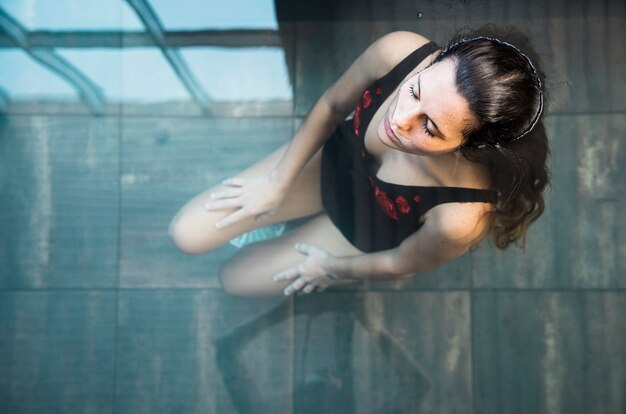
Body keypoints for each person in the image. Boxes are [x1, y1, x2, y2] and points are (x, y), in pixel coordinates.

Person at [168, 24, 550, 297]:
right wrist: (277, 182)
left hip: (366, 226)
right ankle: (284, 216)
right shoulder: (398, 53)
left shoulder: (460, 217)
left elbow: (400, 262)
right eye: (414, 92)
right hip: (329, 164)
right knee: (185, 234)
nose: (398, 122)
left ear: (469, 147)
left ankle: (302, 238)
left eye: (429, 128)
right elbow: (333, 105)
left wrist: (330, 269)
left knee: (231, 280)